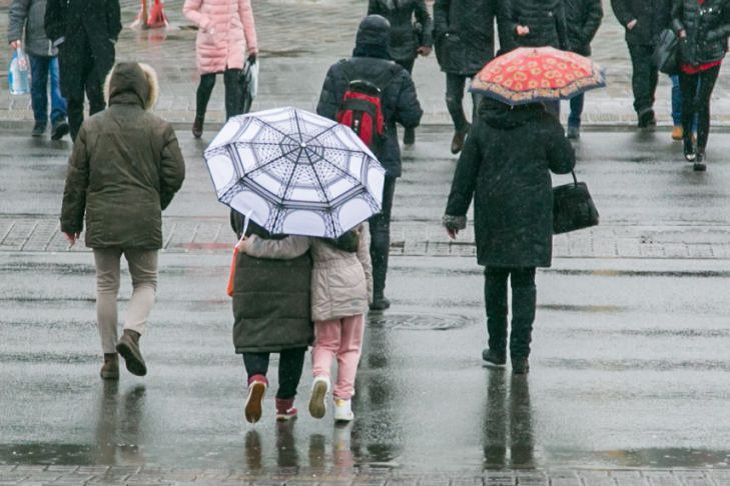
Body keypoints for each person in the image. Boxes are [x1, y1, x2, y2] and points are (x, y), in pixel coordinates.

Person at [60, 62, 185, 380]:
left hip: (102, 217)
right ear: (145, 90)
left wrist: (70, 222)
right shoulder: (159, 127)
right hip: (143, 216)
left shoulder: (91, 126)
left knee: (106, 284)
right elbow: (176, 173)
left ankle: (109, 361)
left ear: (111, 88)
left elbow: (76, 178)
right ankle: (131, 335)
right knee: (145, 282)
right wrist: (157, 201)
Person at [442, 98, 575, 374]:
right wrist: (557, 132)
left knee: (495, 275)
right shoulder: (543, 122)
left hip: (493, 208)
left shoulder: (483, 125)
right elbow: (564, 164)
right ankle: (520, 355)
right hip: (532, 209)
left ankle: (497, 348)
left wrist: (455, 211)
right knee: (525, 279)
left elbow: (465, 171)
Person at [317, 15, 422, 311]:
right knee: (380, 225)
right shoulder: (397, 74)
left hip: (344, 160)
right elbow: (412, 117)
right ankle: (377, 293)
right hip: (382, 161)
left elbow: (323, 116)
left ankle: (341, 289)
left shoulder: (339, 71)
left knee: (343, 221)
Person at [241, 225, 372, 423]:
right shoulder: (355, 218)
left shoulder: (312, 221)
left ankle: (322, 377)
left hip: (325, 286)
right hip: (355, 284)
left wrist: (251, 246)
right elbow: (365, 257)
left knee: (326, 343)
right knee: (351, 349)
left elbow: (290, 247)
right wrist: (368, 291)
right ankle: (343, 404)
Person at [229, 211, 313, 423]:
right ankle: (285, 404)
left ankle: (257, 377)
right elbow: (301, 243)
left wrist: (255, 244)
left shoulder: (247, 194)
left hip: (251, 271)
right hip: (292, 274)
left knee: (253, 330)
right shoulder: (302, 197)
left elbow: (237, 226)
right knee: (293, 339)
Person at [433, 0, 508, 154]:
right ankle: (461, 127)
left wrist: (506, 47)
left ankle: (474, 144)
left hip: (481, 47)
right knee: (452, 99)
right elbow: (440, 7)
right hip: (454, 46)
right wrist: (444, 31)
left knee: (479, 104)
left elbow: (503, 15)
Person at [44, 0, 121, 142]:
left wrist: (110, 38)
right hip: (71, 51)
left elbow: (113, 11)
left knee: (98, 97)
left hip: (99, 50)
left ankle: (96, 141)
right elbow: (51, 17)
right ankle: (79, 144)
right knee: (74, 99)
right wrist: (60, 40)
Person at [183, 0, 258, 138]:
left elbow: (246, 13)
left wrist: (252, 46)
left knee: (233, 81)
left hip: (233, 39)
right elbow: (188, 9)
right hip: (210, 40)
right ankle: (199, 118)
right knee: (207, 83)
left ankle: (231, 127)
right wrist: (206, 23)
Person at [672, 0, 730, 171]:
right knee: (687, 101)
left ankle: (701, 150)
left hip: (712, 55)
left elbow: (728, 23)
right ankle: (688, 139)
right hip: (687, 53)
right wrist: (681, 31)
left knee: (702, 101)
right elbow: (674, 16)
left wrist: (711, 35)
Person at [367, 0, 433, 148]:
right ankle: (384, 128)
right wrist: (368, 46)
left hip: (407, 44)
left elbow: (425, 18)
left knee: (404, 86)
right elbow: (370, 20)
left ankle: (409, 126)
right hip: (383, 44)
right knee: (382, 87)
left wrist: (427, 42)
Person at [8, 0, 69, 139]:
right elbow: (18, 9)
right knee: (37, 84)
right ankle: (40, 119)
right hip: (36, 43)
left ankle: (58, 119)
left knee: (59, 79)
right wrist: (14, 35)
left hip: (60, 41)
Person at [501, 0, 570, 117]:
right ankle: (530, 127)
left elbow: (561, 28)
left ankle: (552, 127)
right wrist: (516, 28)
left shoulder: (555, 2)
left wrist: (565, 54)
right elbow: (508, 21)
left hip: (549, 57)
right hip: (526, 56)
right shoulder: (516, 2)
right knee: (526, 97)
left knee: (550, 98)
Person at [610, 0, 671, 129]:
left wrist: (670, 22)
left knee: (653, 71)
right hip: (637, 32)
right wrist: (628, 20)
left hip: (659, 30)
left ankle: (647, 104)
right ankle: (643, 107)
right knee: (641, 70)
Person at [564, 0, 603, 139]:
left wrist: (583, 36)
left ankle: (574, 122)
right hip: (555, 40)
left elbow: (596, 13)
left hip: (578, 43)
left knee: (577, 85)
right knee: (551, 84)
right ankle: (552, 122)